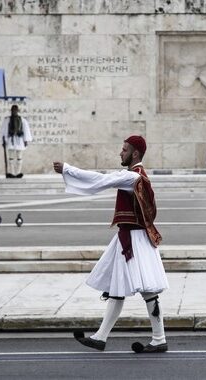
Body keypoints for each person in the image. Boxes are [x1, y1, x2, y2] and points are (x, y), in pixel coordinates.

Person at [52, 135, 169, 354]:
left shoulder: (132, 177)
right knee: (126, 289)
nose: (120, 153)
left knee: (141, 291)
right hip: (130, 237)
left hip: (133, 240)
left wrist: (68, 169)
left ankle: (155, 339)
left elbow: (100, 180)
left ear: (135, 154)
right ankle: (107, 337)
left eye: (124, 150)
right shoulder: (138, 176)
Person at [0, 104, 32, 178]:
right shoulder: (7, 120)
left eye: (15, 110)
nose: (14, 111)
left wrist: (26, 140)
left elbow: (25, 130)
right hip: (10, 140)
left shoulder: (22, 120)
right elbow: (3, 131)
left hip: (19, 140)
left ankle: (18, 172)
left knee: (19, 157)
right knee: (11, 157)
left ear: (17, 111)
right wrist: (3, 140)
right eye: (13, 110)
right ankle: (12, 172)